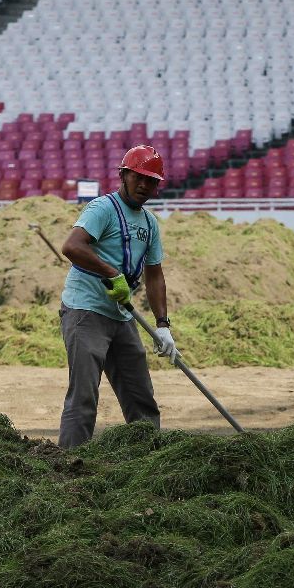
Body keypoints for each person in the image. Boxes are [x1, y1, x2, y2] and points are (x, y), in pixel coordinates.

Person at [56, 145, 177, 449]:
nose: (145, 186)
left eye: (152, 181)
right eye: (139, 178)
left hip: (122, 316)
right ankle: (68, 467)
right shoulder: (102, 209)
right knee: (83, 397)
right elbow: (72, 246)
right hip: (86, 312)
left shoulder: (150, 224)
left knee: (141, 398)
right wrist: (112, 273)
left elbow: (154, 274)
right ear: (124, 175)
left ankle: (148, 460)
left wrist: (163, 325)